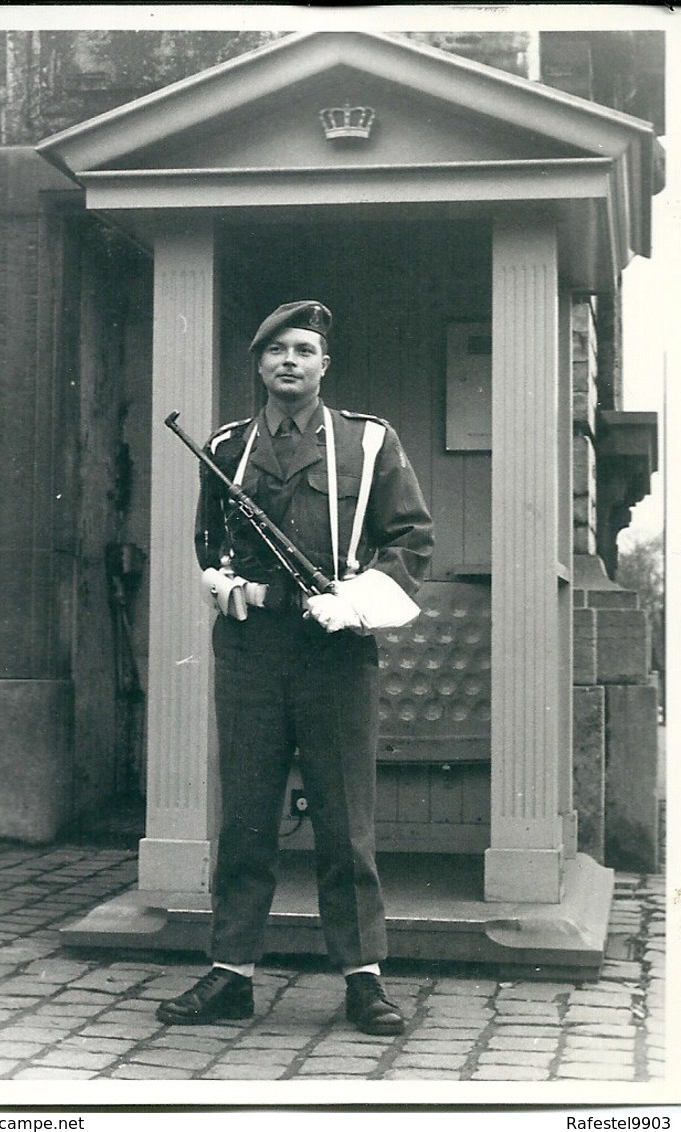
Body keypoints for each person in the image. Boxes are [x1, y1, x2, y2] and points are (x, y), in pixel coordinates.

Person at [156, 301, 434, 1035]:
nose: (289, 361)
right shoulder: (225, 446)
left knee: (346, 821)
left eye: (303, 349)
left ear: (323, 365)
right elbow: (208, 538)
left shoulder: (368, 443)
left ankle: (364, 980)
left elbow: (410, 540)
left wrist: (358, 601)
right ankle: (231, 973)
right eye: (276, 349)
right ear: (258, 363)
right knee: (246, 814)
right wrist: (223, 583)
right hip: (251, 650)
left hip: (334, 650)